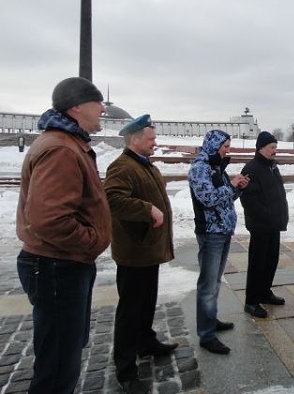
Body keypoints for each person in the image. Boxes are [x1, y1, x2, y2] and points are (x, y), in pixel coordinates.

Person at [16, 77, 111, 394]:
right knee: (58, 368)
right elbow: (50, 219)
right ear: (76, 107)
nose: (103, 110)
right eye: (97, 103)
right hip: (58, 266)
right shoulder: (61, 148)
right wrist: (91, 241)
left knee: (61, 356)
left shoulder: (66, 142)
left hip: (61, 263)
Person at [103, 114, 177, 394]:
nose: (155, 143)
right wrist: (147, 209)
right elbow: (112, 200)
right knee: (130, 310)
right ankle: (125, 369)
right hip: (134, 251)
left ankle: (146, 342)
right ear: (134, 139)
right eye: (151, 138)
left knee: (146, 302)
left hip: (147, 249)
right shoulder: (122, 167)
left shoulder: (145, 164)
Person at [189, 130, 249, 355]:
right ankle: (206, 335)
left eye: (228, 146)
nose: (227, 150)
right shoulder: (200, 168)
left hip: (223, 231)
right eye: (225, 147)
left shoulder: (216, 167)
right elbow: (208, 199)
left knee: (214, 282)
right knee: (207, 285)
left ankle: (210, 319)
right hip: (210, 233)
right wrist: (231, 185)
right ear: (214, 146)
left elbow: (225, 198)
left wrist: (238, 188)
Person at [240, 131, 289, 319]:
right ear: (261, 148)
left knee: (271, 260)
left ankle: (264, 292)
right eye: (272, 148)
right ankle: (251, 301)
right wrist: (267, 215)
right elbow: (248, 200)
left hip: (274, 224)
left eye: (276, 147)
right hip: (260, 225)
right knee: (257, 263)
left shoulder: (272, 166)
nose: (275, 151)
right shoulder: (251, 168)